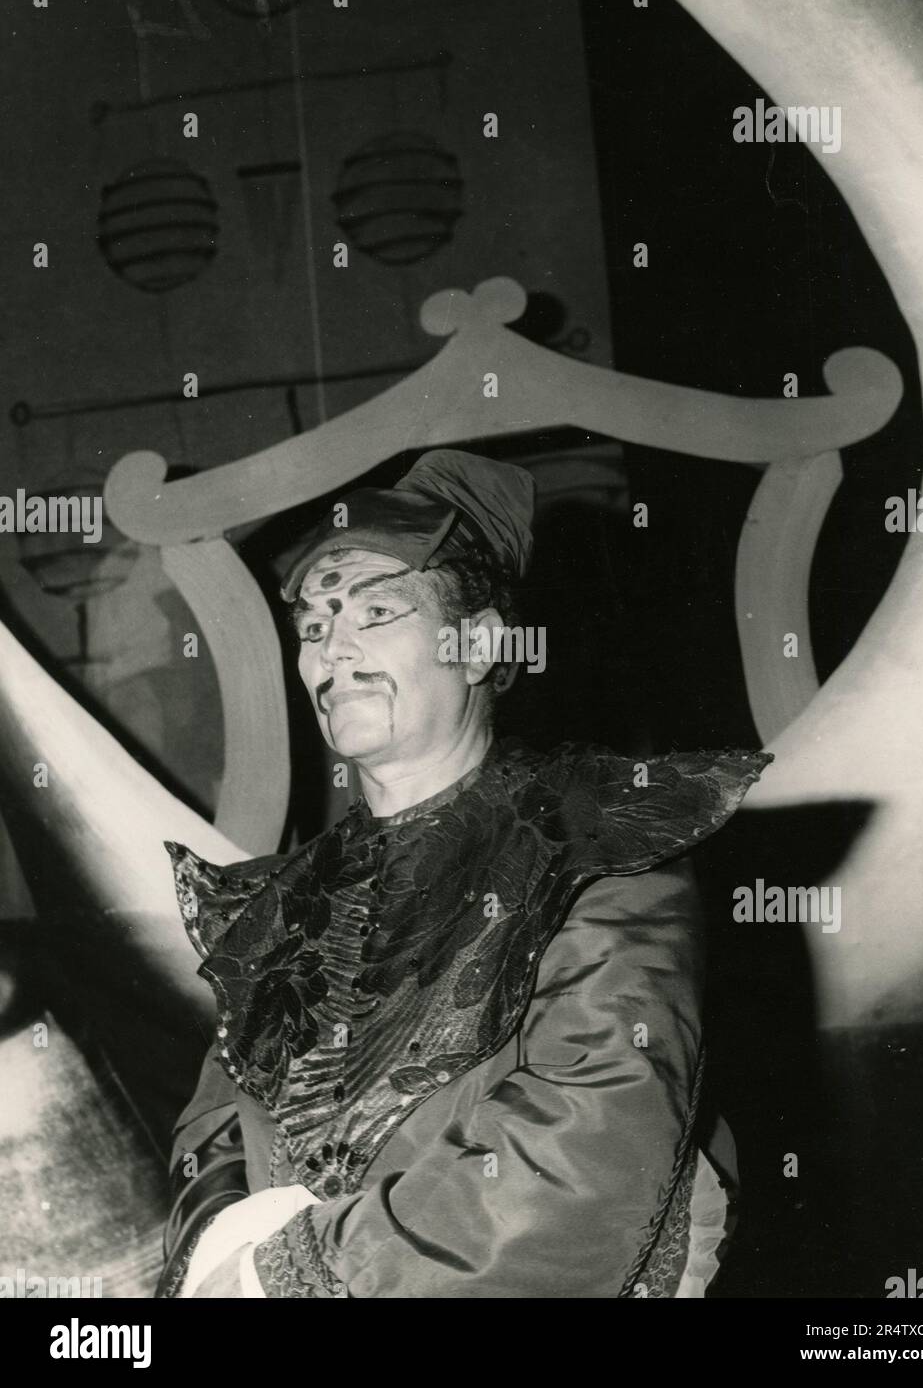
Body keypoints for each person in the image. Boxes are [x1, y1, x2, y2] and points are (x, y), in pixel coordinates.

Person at [157, 448, 770, 1299]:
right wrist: (219, 1252)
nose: (333, 647)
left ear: (476, 642)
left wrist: (301, 1276)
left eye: (375, 613)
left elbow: (592, 1121)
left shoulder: (602, 842)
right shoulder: (282, 900)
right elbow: (219, 1123)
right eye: (312, 626)